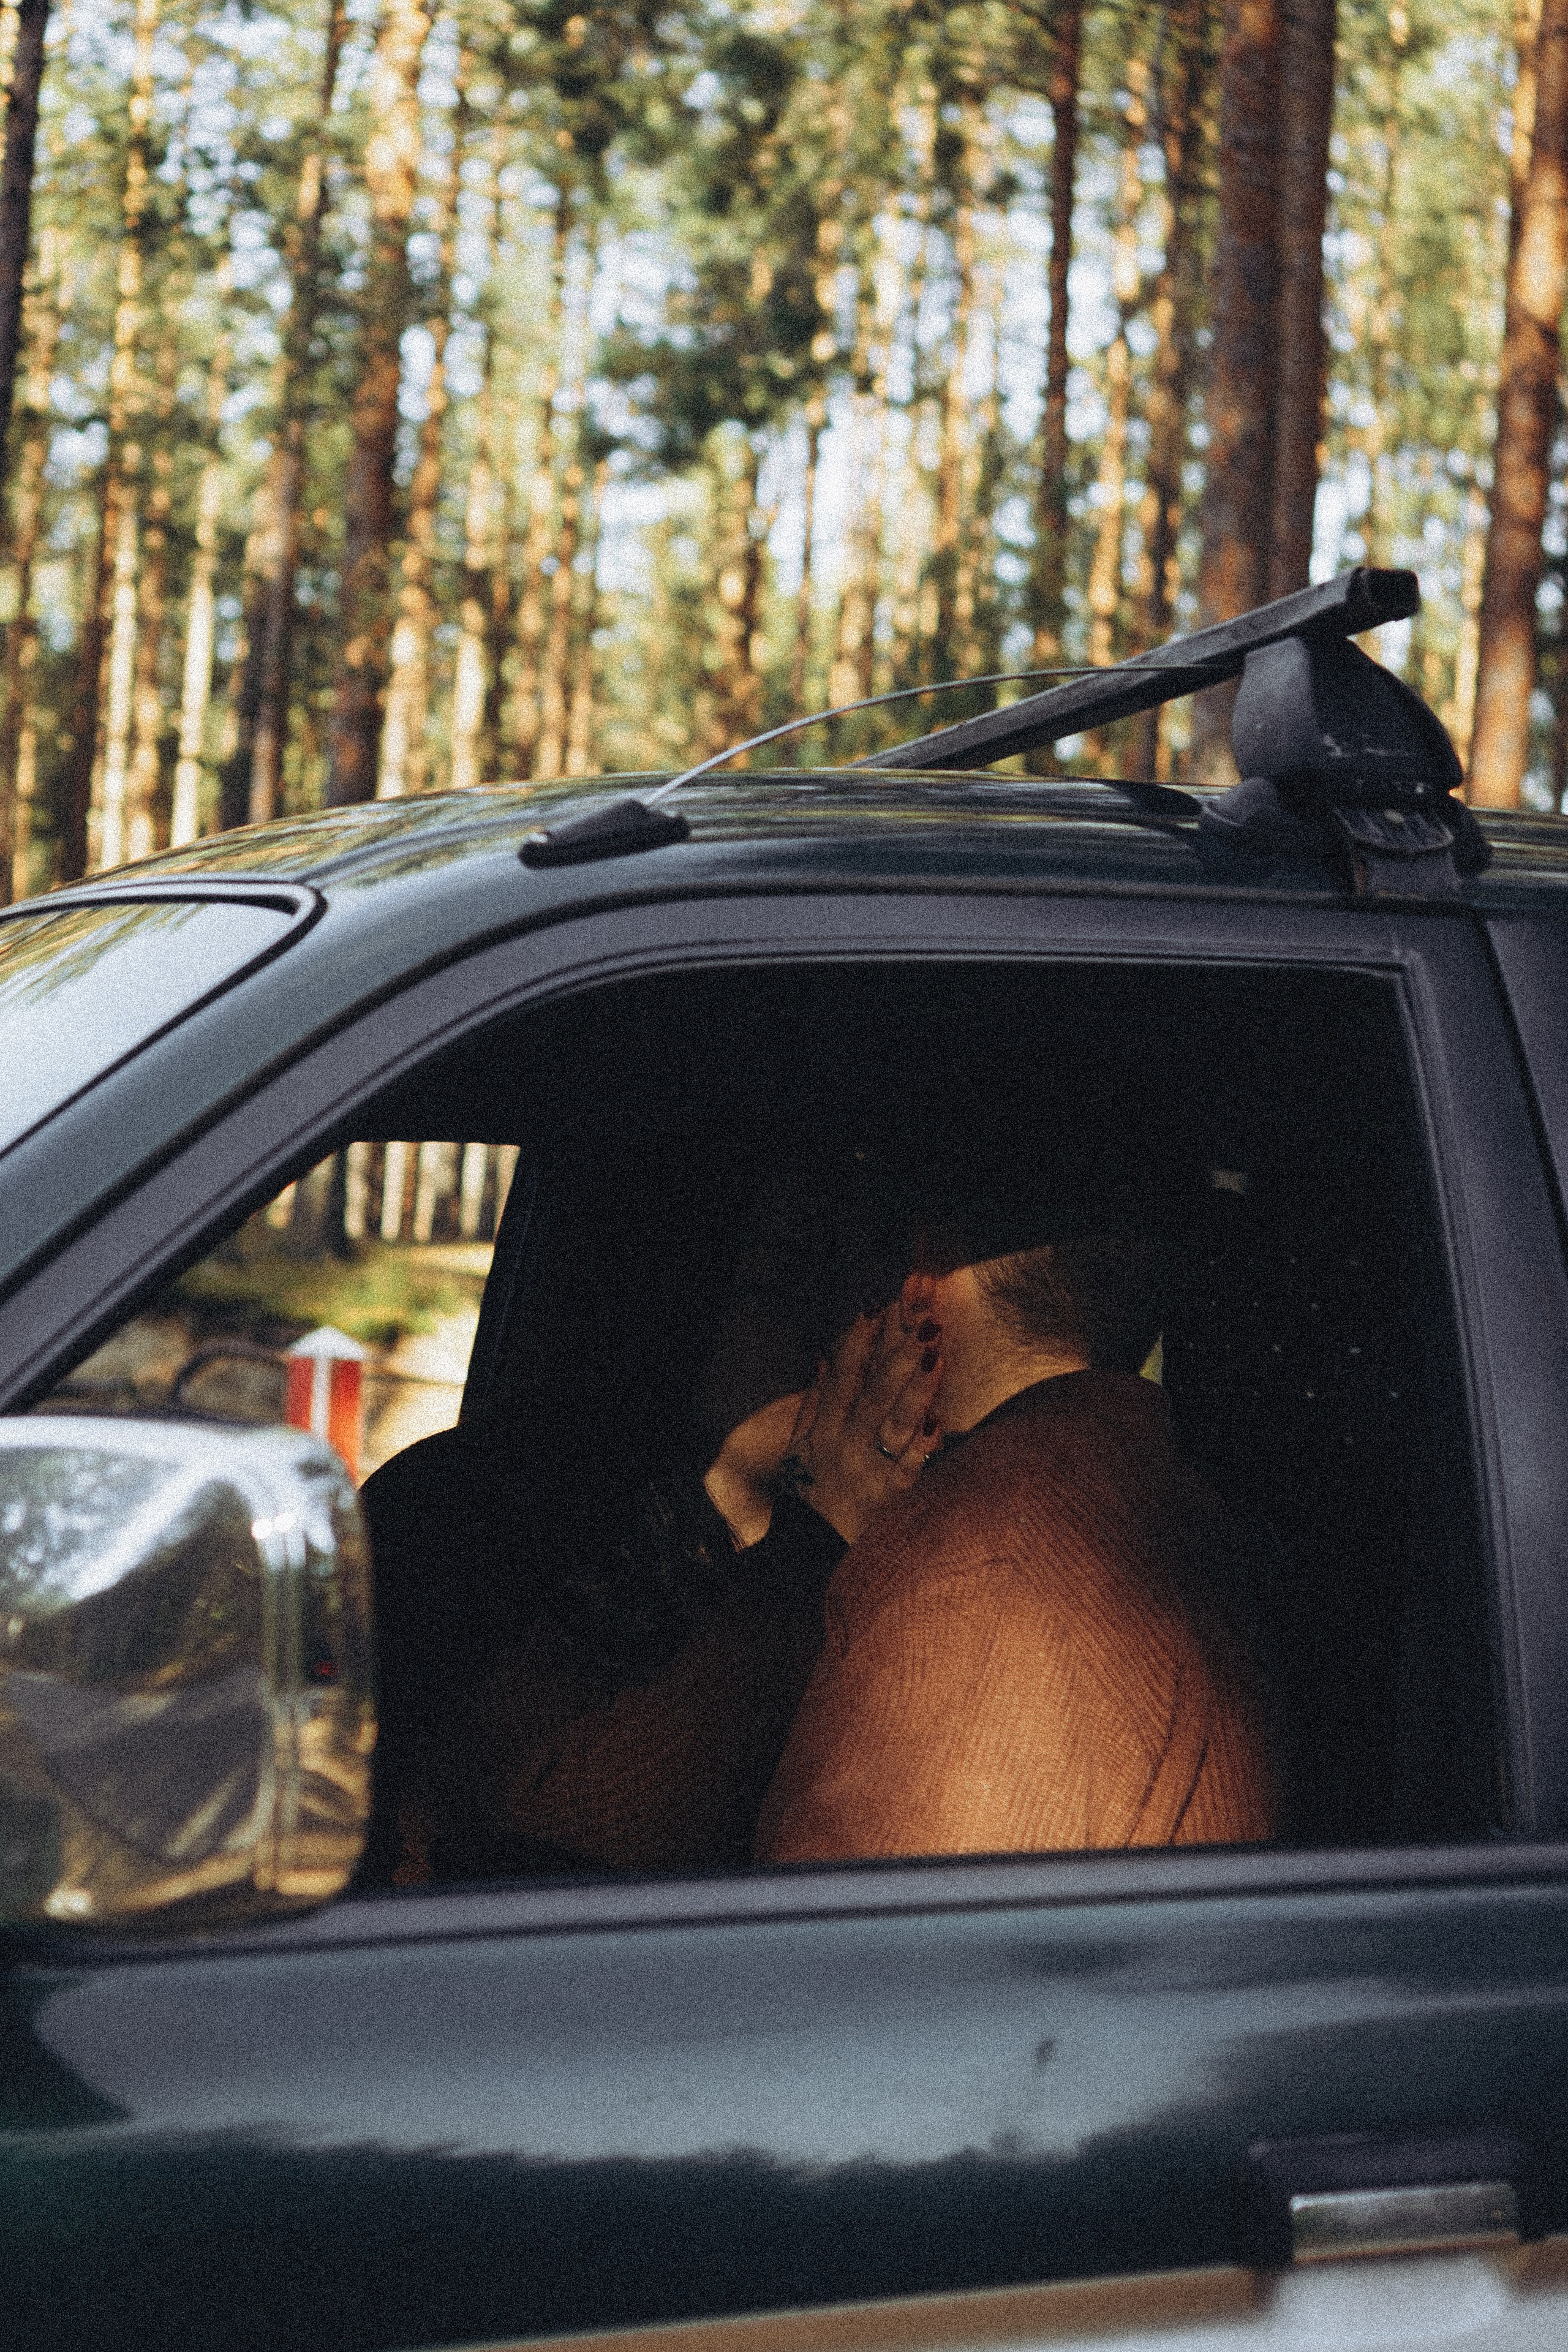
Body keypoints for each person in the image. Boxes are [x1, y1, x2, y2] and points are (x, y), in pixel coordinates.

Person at [358, 1150, 941, 1884]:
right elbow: (553, 1845)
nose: (846, 1336)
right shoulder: (473, 1514)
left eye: (871, 1293)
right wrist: (811, 1549)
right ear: (676, 1297)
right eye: (785, 1284)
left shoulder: (917, 1552)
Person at [753, 1176, 1278, 1863]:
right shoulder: (1155, 1505)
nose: (821, 1320)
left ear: (918, 1286)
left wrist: (799, 1561)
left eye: (827, 1262)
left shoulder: (985, 1571)